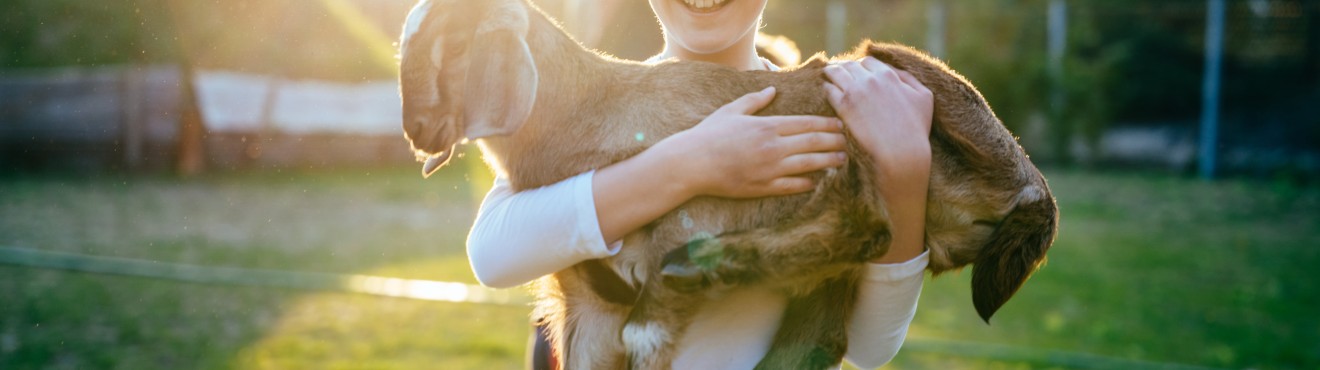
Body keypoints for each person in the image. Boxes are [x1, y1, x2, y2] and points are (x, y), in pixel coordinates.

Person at [467, 0, 934, 368]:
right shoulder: (594, 105)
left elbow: (870, 348)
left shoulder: (834, 109)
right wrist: (691, 164)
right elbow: (492, 254)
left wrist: (907, 172)